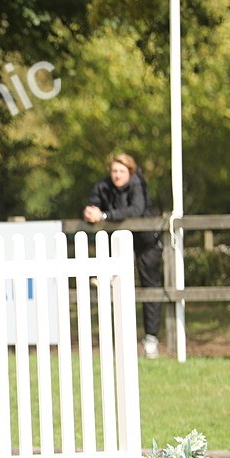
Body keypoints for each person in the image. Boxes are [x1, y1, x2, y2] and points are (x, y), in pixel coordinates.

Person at [83, 153, 163, 358]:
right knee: (115, 288)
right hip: (118, 243)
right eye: (114, 171)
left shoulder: (138, 184)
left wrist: (105, 215)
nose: (117, 175)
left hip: (146, 242)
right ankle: (115, 338)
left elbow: (136, 210)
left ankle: (151, 339)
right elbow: (93, 205)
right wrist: (90, 212)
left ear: (130, 172)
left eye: (121, 171)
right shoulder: (103, 186)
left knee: (150, 288)